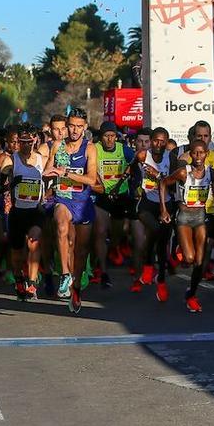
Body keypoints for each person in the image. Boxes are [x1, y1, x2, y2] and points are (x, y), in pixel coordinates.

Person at [47, 109, 100, 313]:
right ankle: (65, 274)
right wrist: (48, 175)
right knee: (61, 225)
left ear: (85, 127)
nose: (75, 130)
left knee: (80, 251)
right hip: (64, 198)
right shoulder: (58, 146)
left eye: (79, 126)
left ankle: (75, 288)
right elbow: (47, 172)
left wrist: (67, 173)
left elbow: (91, 179)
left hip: (83, 202)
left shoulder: (90, 148)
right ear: (66, 126)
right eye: (71, 126)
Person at [160, 140, 214, 312]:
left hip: (200, 216)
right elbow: (163, 183)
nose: (198, 157)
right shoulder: (183, 173)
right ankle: (176, 255)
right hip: (184, 217)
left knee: (200, 262)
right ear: (190, 154)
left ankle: (191, 295)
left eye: (202, 153)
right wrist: (163, 209)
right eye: (195, 153)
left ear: (207, 154)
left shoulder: (211, 173)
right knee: (190, 258)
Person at [0, 124, 46, 300]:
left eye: (29, 142)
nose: (26, 145)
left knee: (34, 242)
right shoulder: (11, 160)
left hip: (35, 210)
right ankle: (19, 279)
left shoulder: (40, 159)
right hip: (18, 212)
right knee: (17, 252)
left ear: (34, 141)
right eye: (22, 142)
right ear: (18, 142)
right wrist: (7, 180)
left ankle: (32, 283)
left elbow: (48, 180)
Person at [133, 127, 174, 300]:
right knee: (155, 231)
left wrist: (158, 175)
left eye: (162, 141)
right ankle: (149, 268)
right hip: (147, 204)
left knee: (162, 242)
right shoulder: (143, 156)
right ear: (151, 141)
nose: (158, 144)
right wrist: (135, 187)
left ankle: (161, 281)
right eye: (155, 140)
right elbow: (132, 171)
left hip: (166, 204)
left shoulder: (170, 158)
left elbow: (171, 184)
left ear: (167, 142)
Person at [94, 122, 130, 288]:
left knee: (118, 230)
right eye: (106, 136)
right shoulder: (94, 149)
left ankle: (115, 246)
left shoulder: (123, 149)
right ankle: (103, 270)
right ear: (101, 137)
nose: (109, 139)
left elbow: (136, 162)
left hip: (120, 196)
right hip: (101, 196)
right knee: (100, 231)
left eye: (112, 136)